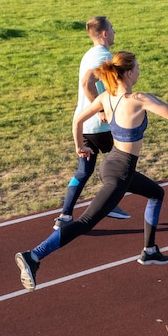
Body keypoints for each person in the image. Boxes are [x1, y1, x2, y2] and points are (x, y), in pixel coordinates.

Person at [15, 51, 168, 291]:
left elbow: (77, 121)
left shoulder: (106, 97)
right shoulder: (138, 99)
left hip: (111, 164)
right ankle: (33, 256)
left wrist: (79, 146)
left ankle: (149, 250)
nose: (139, 71)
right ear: (128, 73)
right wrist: (154, 100)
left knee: (156, 193)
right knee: (85, 221)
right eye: (137, 68)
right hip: (120, 174)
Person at [53, 16, 130, 231]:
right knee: (123, 165)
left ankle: (65, 215)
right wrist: (102, 109)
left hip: (85, 125)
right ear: (104, 34)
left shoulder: (89, 54)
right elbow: (87, 82)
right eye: (112, 28)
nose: (115, 32)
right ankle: (110, 204)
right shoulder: (104, 56)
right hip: (101, 127)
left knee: (83, 171)